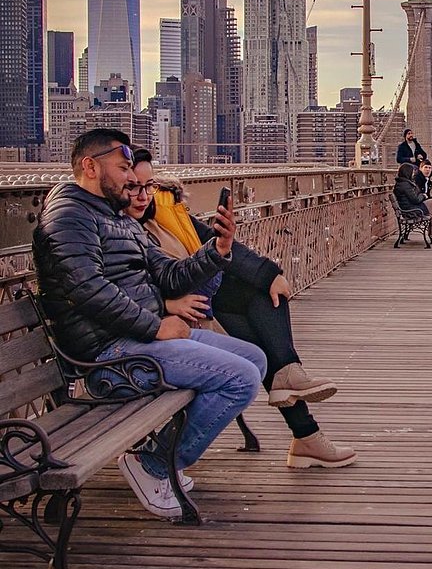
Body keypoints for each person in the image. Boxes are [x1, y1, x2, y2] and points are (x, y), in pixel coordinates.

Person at [32, 129, 266, 519]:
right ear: (90, 166)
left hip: (138, 338)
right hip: (106, 355)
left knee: (253, 359)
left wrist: (218, 250)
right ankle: (153, 465)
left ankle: (162, 459)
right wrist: (156, 326)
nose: (130, 179)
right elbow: (87, 289)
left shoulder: (117, 218)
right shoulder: (68, 216)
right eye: (124, 168)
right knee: (239, 377)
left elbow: (170, 274)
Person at [126, 150, 356, 469]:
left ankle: (294, 394)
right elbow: (119, 286)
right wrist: (165, 304)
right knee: (257, 344)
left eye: (148, 185)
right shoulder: (121, 230)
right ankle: (305, 433)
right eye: (132, 186)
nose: (141, 195)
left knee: (263, 296)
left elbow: (217, 244)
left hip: (200, 309)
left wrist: (269, 273)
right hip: (165, 328)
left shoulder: (164, 211)